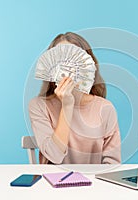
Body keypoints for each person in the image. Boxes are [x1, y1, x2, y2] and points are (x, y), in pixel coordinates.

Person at [28, 32, 121, 164]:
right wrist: (67, 106)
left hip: (93, 183)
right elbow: (54, 156)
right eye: (61, 60)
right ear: (51, 66)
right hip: (53, 182)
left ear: (88, 66)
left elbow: (113, 164)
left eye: (74, 60)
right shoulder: (39, 106)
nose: (67, 70)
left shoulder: (105, 108)